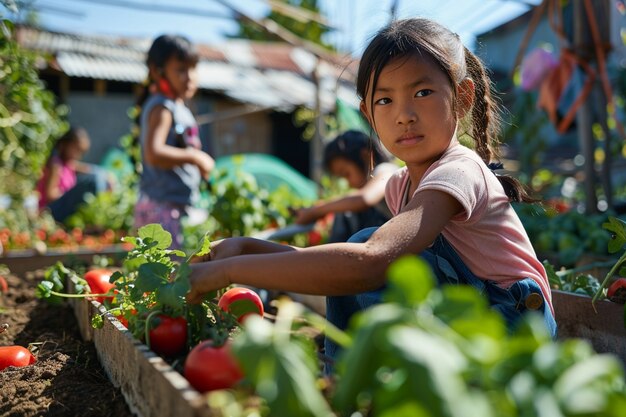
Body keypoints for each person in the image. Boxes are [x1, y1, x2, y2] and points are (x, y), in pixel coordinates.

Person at [187, 18, 557, 363]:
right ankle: (362, 384)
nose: (404, 115)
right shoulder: (400, 184)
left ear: (461, 97)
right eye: (385, 100)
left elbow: (370, 261)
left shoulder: (458, 171)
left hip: (516, 320)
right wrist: (246, 247)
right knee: (354, 262)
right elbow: (340, 264)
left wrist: (229, 272)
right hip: (474, 314)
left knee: (371, 252)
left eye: (423, 92)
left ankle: (360, 383)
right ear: (368, 113)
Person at [133, 34, 214, 249]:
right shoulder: (163, 107)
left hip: (171, 206)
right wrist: (196, 158)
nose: (189, 77)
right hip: (161, 209)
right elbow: (154, 153)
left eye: (193, 69)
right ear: (156, 71)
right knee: (167, 277)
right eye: (180, 70)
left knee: (175, 274)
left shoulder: (176, 106)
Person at [292, 130, 398, 243]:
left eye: (346, 173)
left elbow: (363, 198)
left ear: (366, 156)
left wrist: (314, 211)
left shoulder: (386, 171)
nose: (349, 183)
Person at [37, 126, 110, 223]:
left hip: (62, 208)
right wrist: (70, 193)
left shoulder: (69, 164)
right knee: (91, 181)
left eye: (81, 152)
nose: (78, 155)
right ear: (65, 145)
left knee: (98, 176)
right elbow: (50, 196)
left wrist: (107, 176)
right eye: (76, 150)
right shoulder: (55, 165)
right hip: (51, 211)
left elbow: (90, 170)